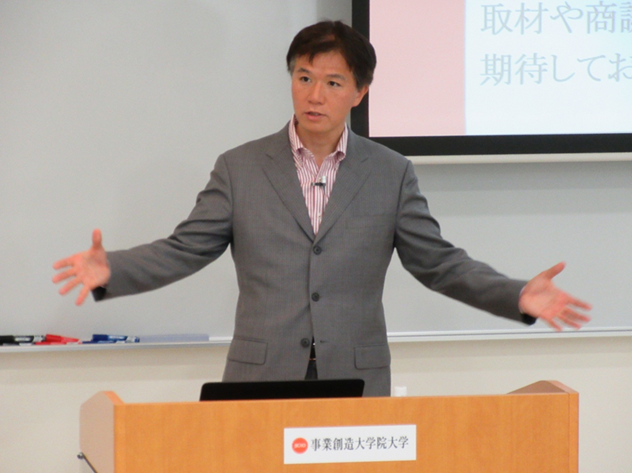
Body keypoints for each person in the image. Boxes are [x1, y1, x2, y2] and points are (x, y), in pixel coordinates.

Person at [52, 21, 591, 396]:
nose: (315, 95)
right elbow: (184, 249)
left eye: (333, 83)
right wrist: (113, 269)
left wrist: (515, 293)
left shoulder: (391, 172)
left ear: (359, 92)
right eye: (304, 78)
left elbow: (439, 263)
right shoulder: (240, 167)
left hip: (355, 378)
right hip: (260, 378)